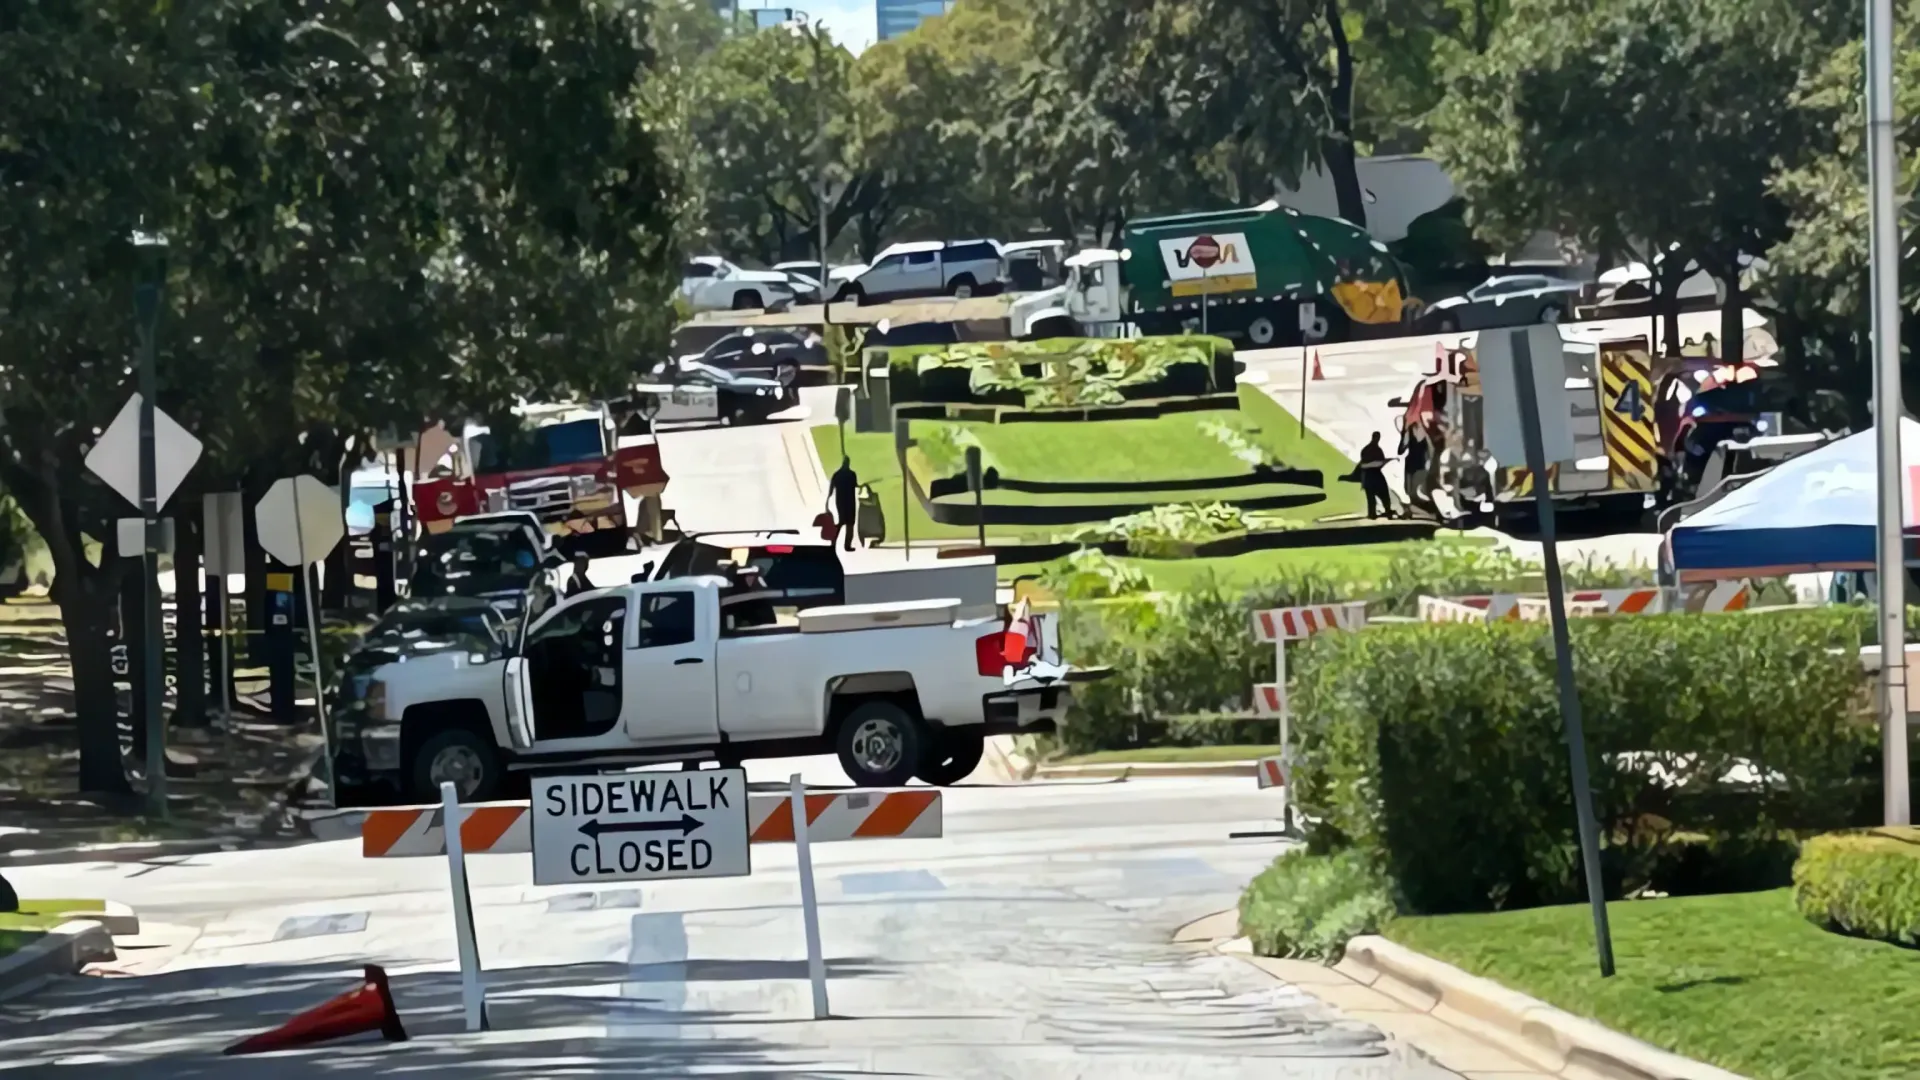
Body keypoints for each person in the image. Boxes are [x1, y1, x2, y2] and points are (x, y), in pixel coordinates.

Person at [1358, 431, 1396, 520]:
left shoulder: (1365, 449)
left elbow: (1363, 465)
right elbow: (1380, 463)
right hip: (1376, 474)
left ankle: (1372, 514)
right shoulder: (1377, 450)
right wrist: (1386, 461)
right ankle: (1387, 511)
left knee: (1371, 497)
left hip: (1368, 475)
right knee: (1384, 494)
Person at [828, 456, 860, 552]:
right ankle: (847, 545)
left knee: (839, 523)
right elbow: (855, 485)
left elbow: (831, 488)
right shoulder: (852, 474)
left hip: (840, 502)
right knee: (850, 525)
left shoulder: (837, 474)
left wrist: (828, 500)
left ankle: (833, 543)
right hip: (850, 502)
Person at [1398, 424, 1431, 516]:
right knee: (1417, 489)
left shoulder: (1410, 431)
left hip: (1411, 462)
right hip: (1420, 463)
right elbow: (1428, 449)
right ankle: (1413, 509)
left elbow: (1402, 448)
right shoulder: (1425, 432)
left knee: (1409, 489)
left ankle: (1409, 509)